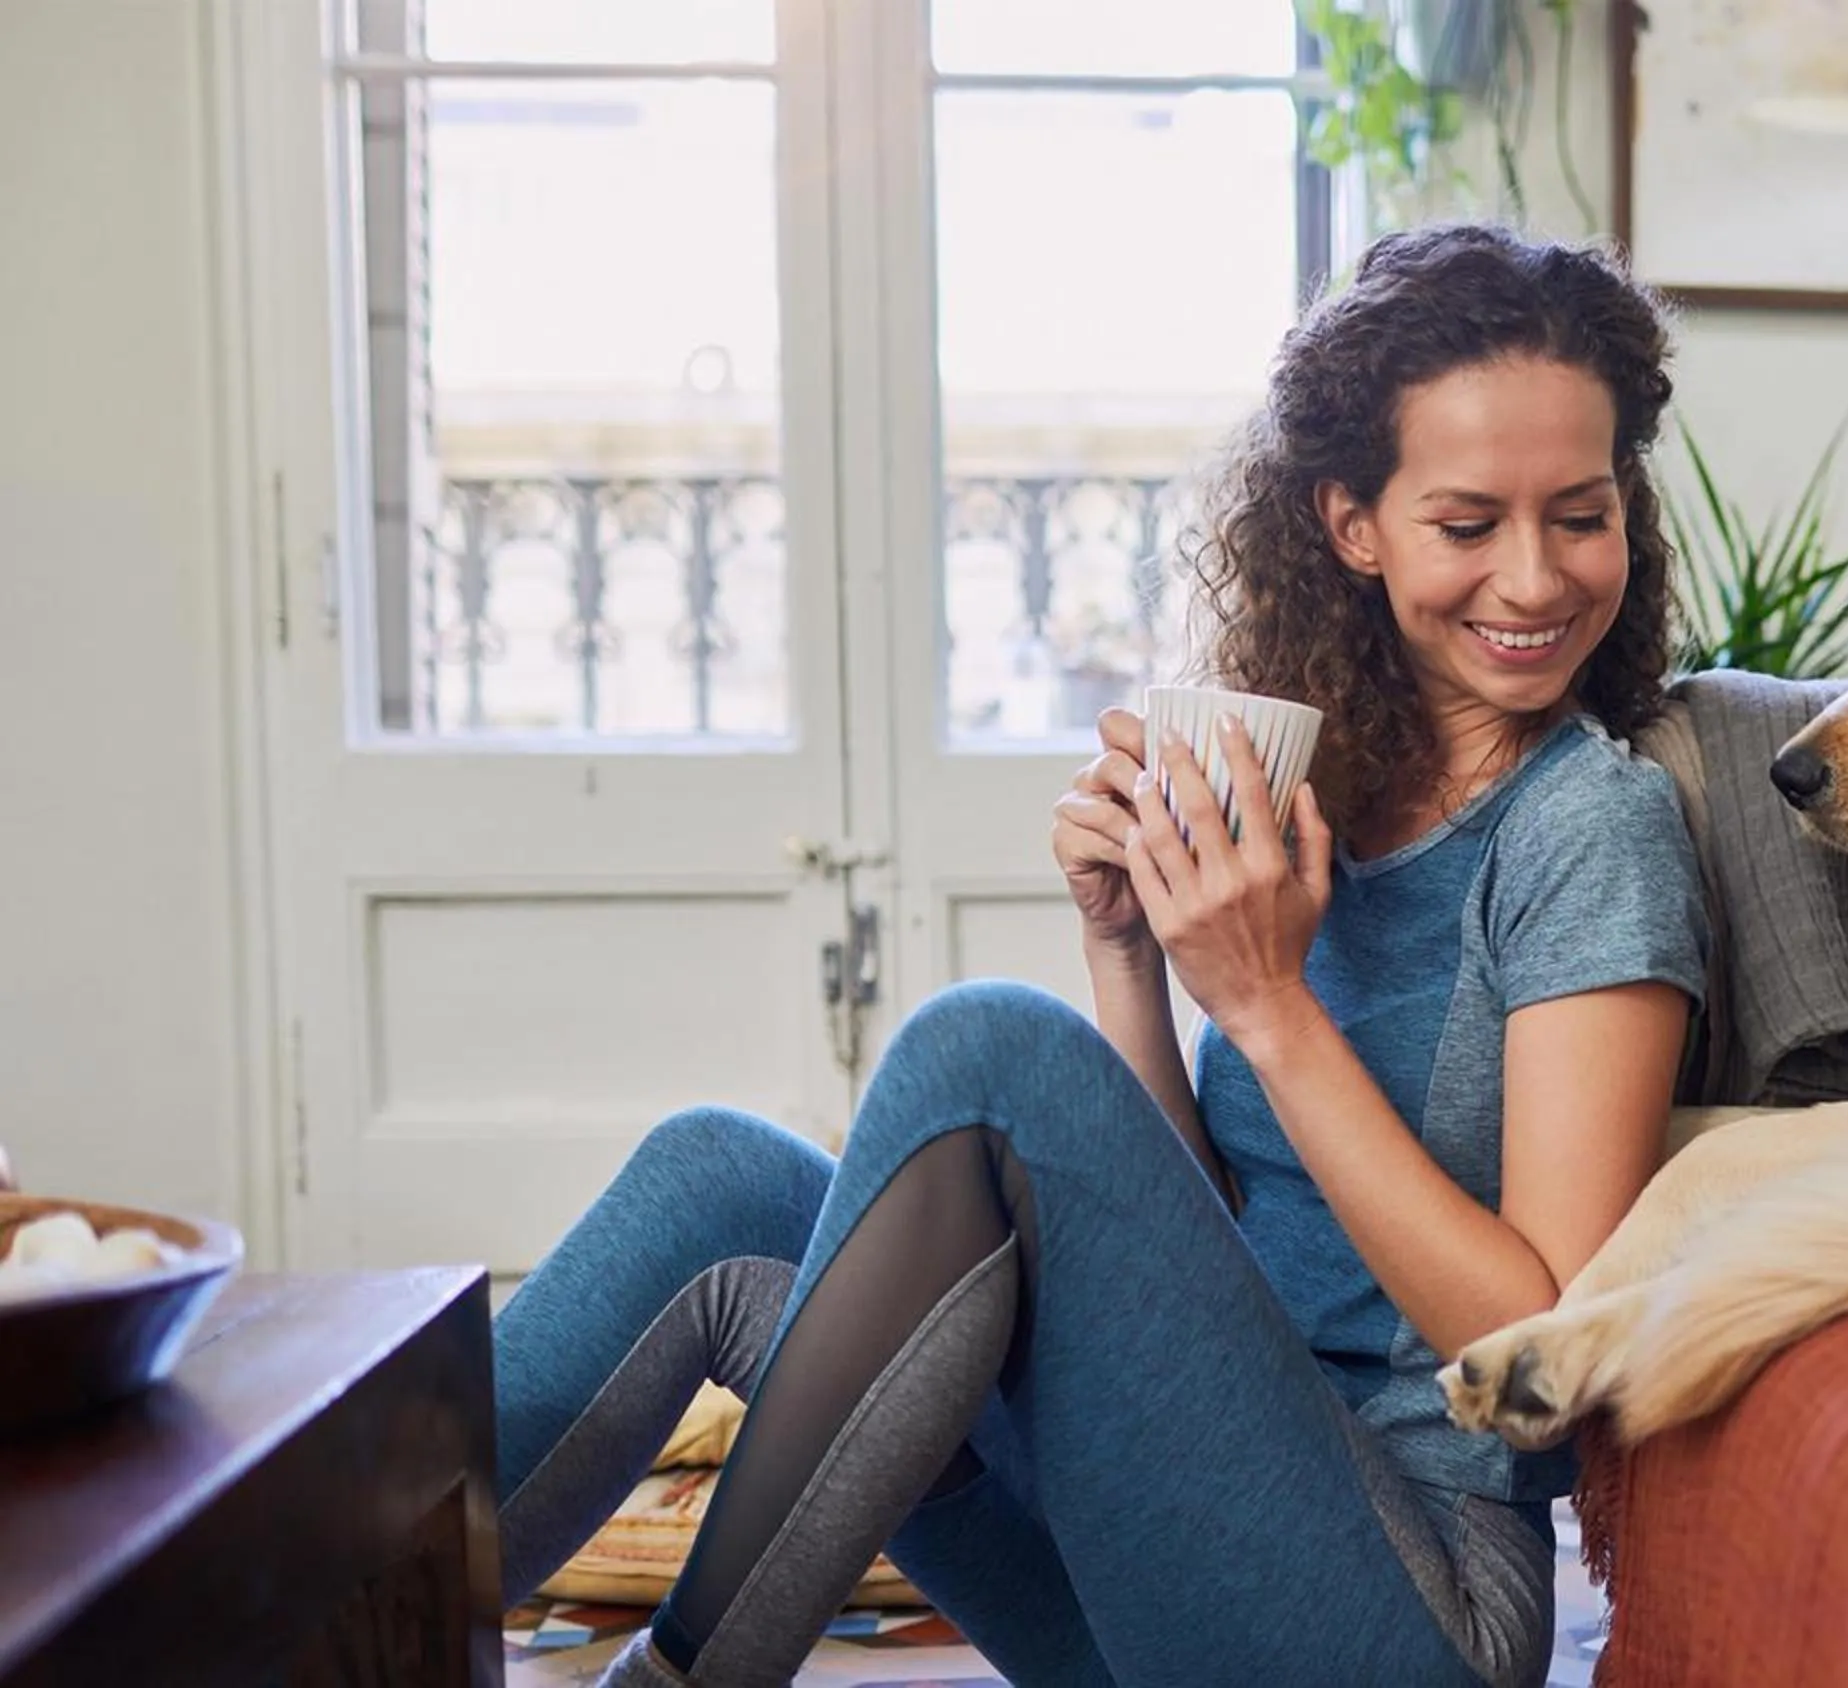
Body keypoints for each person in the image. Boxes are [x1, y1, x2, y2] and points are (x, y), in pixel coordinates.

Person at [489, 222, 1710, 1688]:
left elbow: (1547, 1355)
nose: (1534, 579)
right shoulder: (1320, 787)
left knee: (988, 1052)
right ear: (1352, 524)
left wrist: (1268, 1007)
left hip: (1411, 1600)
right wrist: (1129, 953)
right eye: (1467, 525)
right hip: (1177, 1529)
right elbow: (1215, 1251)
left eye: (1580, 515)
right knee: (719, 1183)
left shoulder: (1589, 828)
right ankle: (327, 1599)